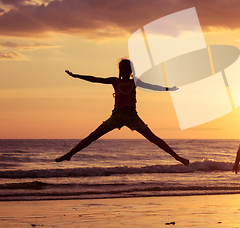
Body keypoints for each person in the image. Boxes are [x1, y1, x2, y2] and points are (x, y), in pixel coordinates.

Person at [55, 59, 189, 166]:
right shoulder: (115, 81)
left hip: (132, 116)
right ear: (119, 71)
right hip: (117, 116)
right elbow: (95, 79)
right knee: (92, 136)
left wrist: (168, 89)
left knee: (154, 138)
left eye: (126, 68)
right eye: (122, 68)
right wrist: (76, 76)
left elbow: (152, 86)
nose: (124, 70)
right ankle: (69, 155)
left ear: (131, 71)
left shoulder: (135, 82)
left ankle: (178, 157)